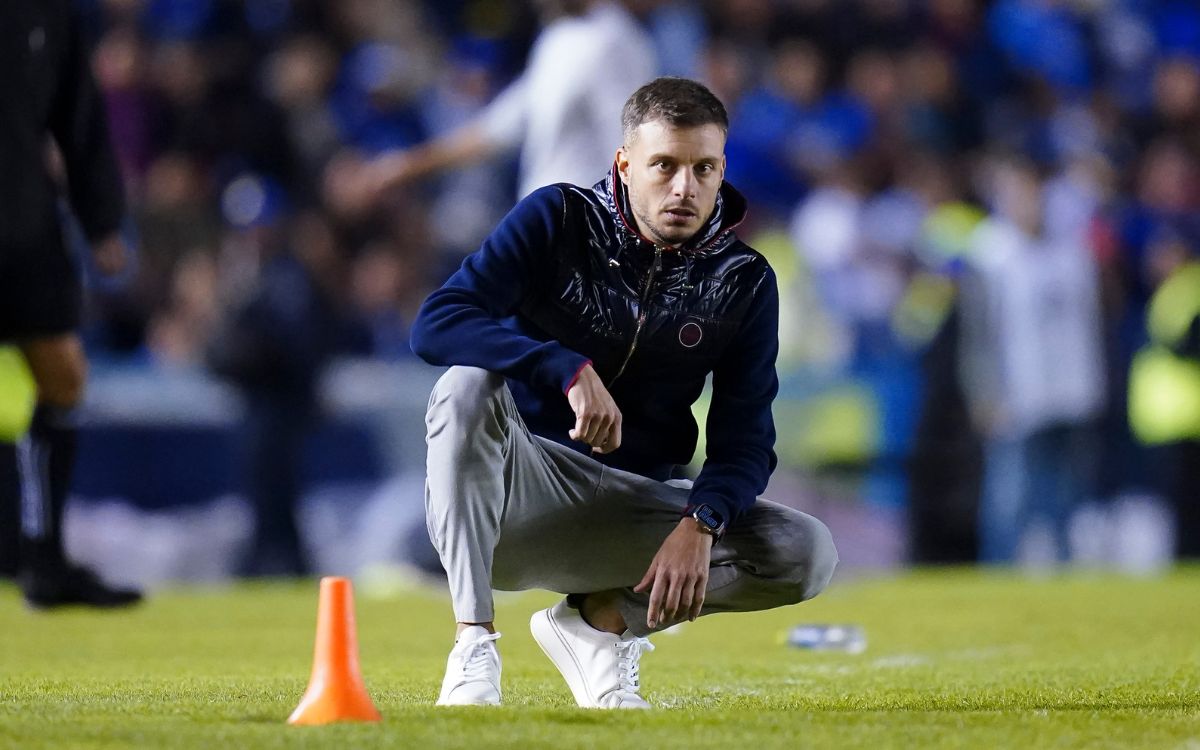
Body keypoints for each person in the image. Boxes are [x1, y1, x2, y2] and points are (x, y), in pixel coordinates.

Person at [409, 77, 838, 709]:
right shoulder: (556, 218)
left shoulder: (745, 281)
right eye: (664, 165)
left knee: (805, 553)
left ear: (722, 171)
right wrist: (565, 367)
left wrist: (702, 521)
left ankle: (598, 624)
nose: (684, 188)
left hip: (630, 508)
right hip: (517, 491)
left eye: (704, 168)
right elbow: (438, 321)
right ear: (625, 164)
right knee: (465, 386)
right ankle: (474, 642)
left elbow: (746, 441)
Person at [0, 0, 141, 608]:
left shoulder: (48, 14)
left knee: (62, 374)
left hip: (25, 223)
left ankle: (45, 559)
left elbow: (77, 118)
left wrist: (101, 220)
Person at [337, 0, 657, 205]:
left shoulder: (614, 41)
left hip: (591, 248)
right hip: (547, 239)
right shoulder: (557, 38)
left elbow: (633, 150)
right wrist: (405, 166)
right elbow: (495, 130)